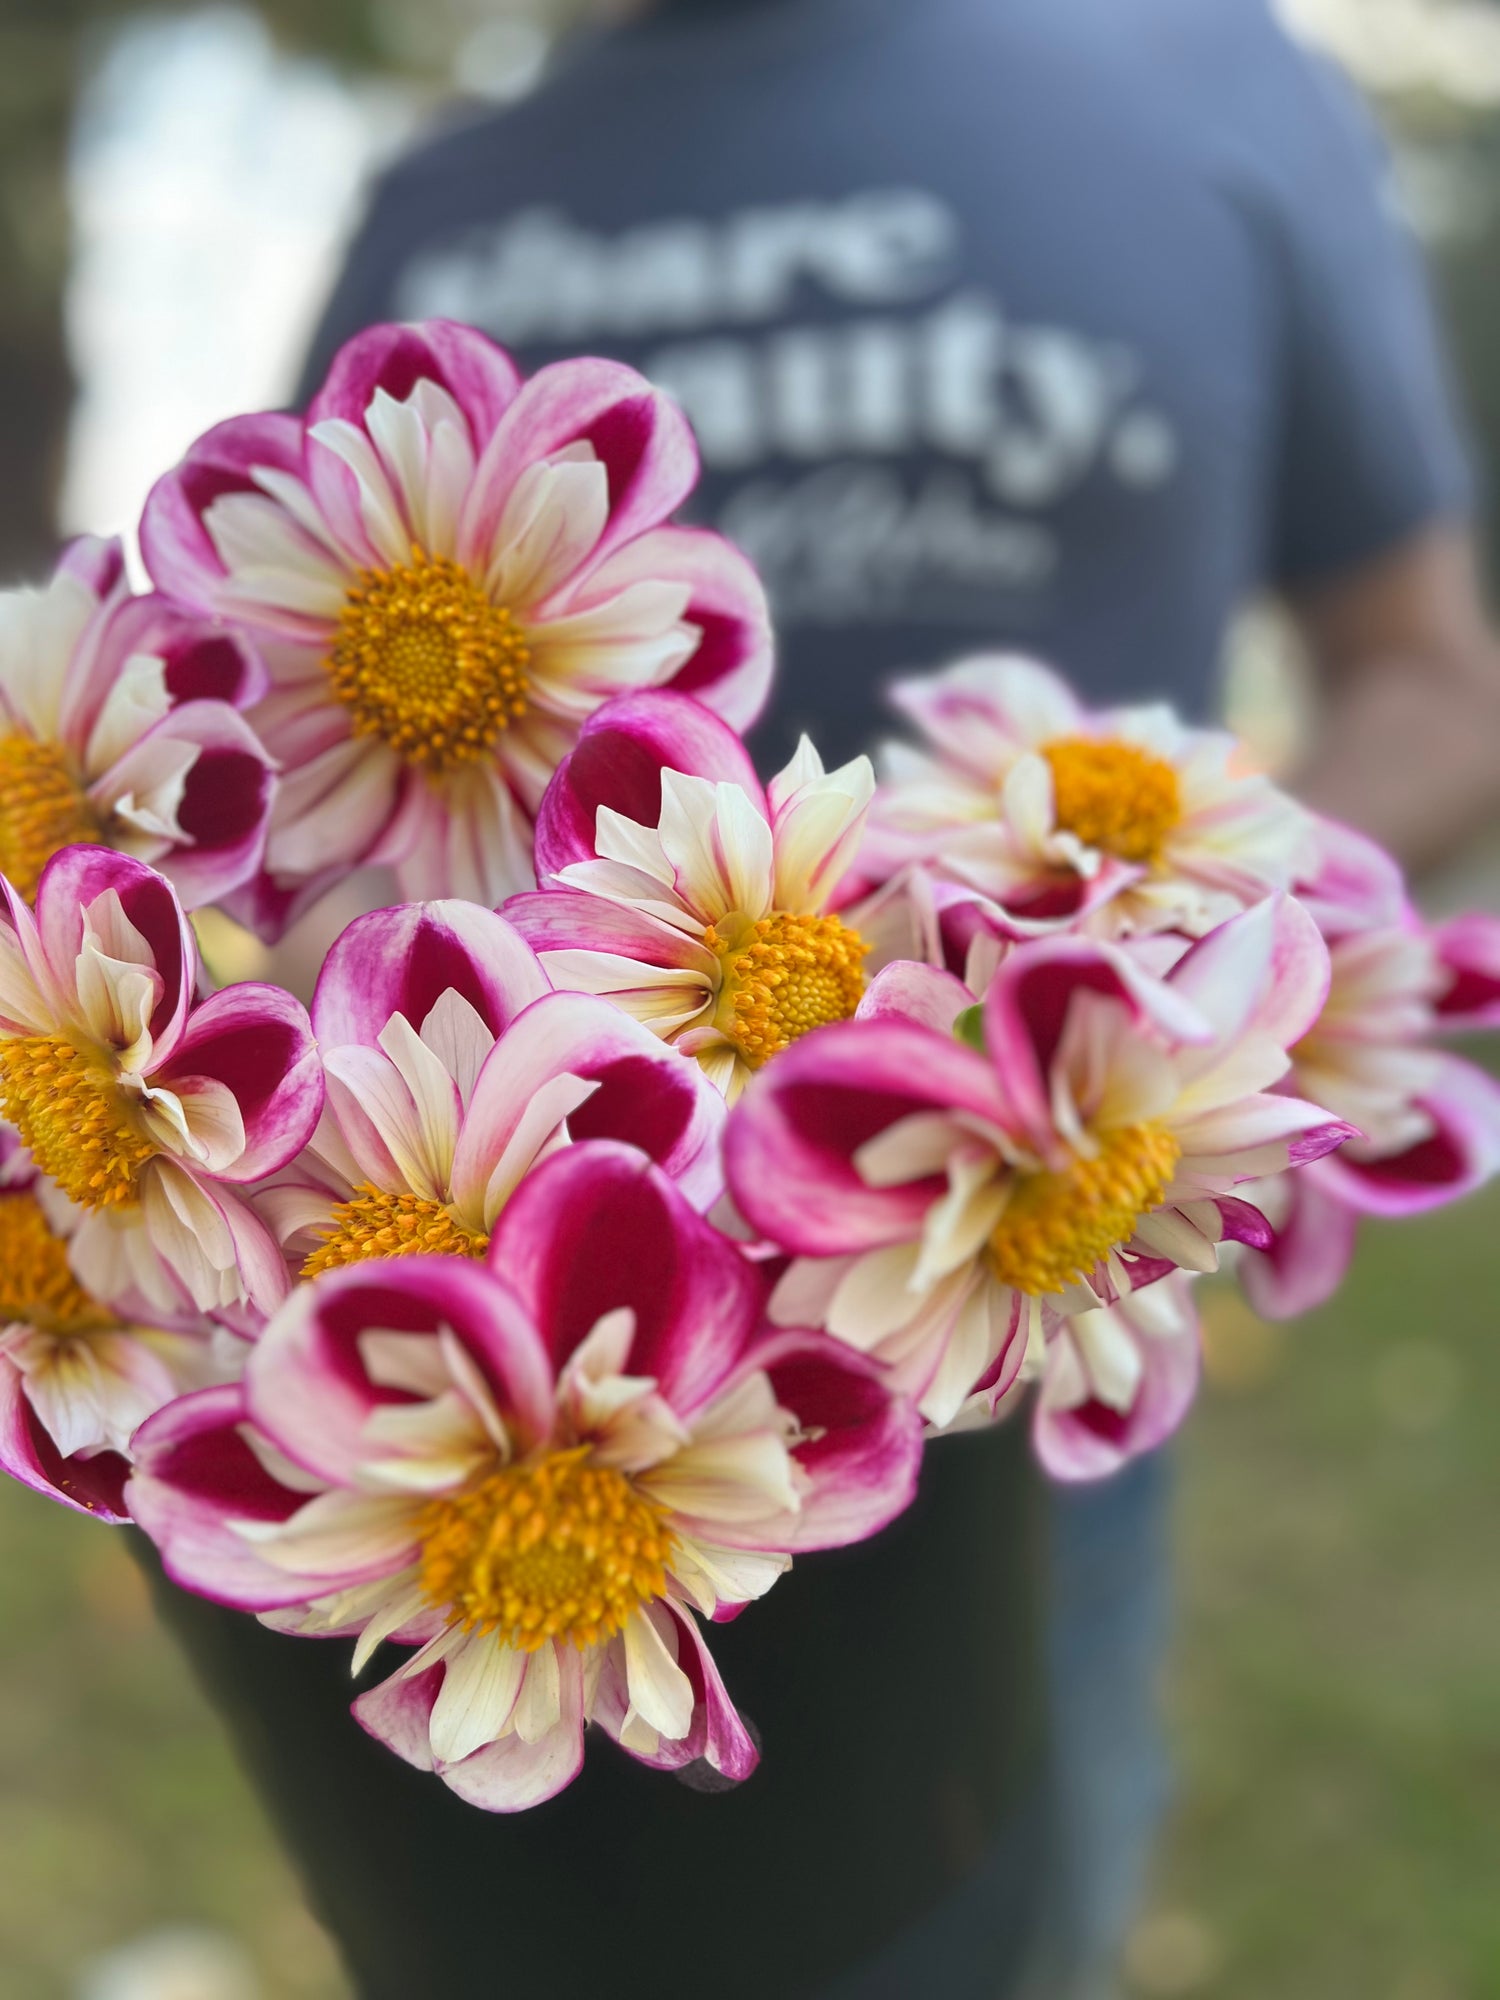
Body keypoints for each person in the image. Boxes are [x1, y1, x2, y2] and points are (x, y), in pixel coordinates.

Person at [155, 0, 1500, 1994]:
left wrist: (1182, 959)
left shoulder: (1213, 71)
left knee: (998, 1930)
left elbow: (1426, 671)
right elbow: (267, 769)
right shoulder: (441, 195)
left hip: (1000, 1321)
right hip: (470, 1319)